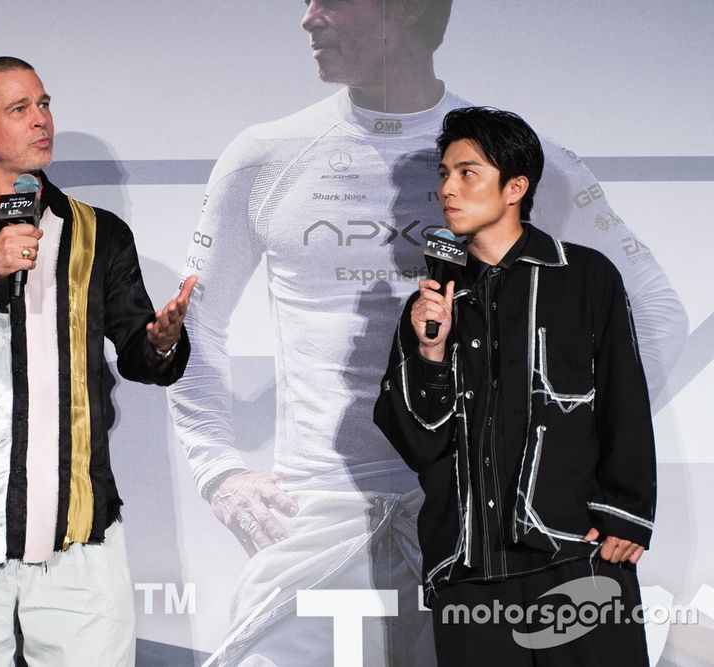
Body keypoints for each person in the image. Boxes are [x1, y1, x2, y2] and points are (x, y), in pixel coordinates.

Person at [167, 1, 683, 665]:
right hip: (317, 522)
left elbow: (654, 309)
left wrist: (558, 460)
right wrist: (220, 472)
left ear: (406, 9)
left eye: (331, 1)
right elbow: (194, 321)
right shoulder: (267, 155)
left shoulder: (521, 158)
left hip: (478, 527)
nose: (309, 19)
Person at [0, 56, 196, 666]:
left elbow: (139, 356)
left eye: (45, 104)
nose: (41, 120)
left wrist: (162, 340)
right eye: (19, 108)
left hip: (77, 530)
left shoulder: (101, 233)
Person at [374, 105, 654, 664]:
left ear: (515, 187)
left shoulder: (584, 276)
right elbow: (418, 443)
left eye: (467, 173)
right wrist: (430, 353)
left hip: (573, 553)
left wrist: (626, 512)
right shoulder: (431, 306)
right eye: (444, 174)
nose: (447, 188)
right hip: (468, 570)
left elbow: (624, 396)